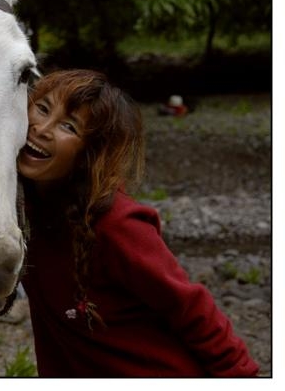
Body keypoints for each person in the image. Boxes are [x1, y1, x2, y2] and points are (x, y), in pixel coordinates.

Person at [18, 68, 259, 377]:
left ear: (89, 154)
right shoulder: (23, 209)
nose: (42, 128)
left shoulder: (117, 225)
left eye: (69, 126)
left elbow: (192, 309)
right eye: (42, 108)